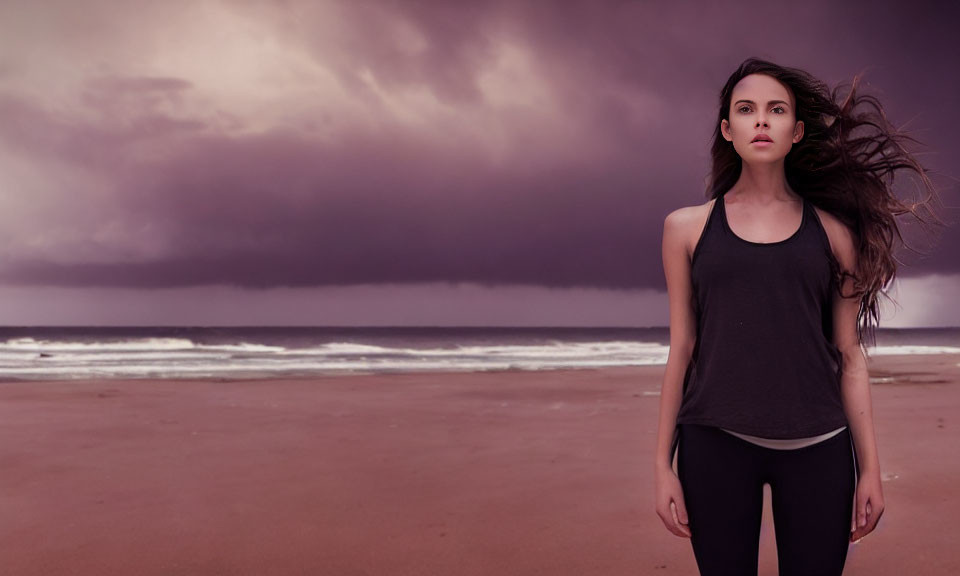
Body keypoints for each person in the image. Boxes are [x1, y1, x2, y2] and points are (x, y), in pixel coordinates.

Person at [653, 57, 946, 576]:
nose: (761, 120)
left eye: (776, 110)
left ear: (796, 130)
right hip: (714, 444)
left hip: (820, 449)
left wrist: (871, 470)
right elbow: (683, 348)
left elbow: (849, 356)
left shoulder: (836, 236)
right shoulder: (686, 229)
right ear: (728, 129)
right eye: (746, 110)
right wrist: (661, 465)